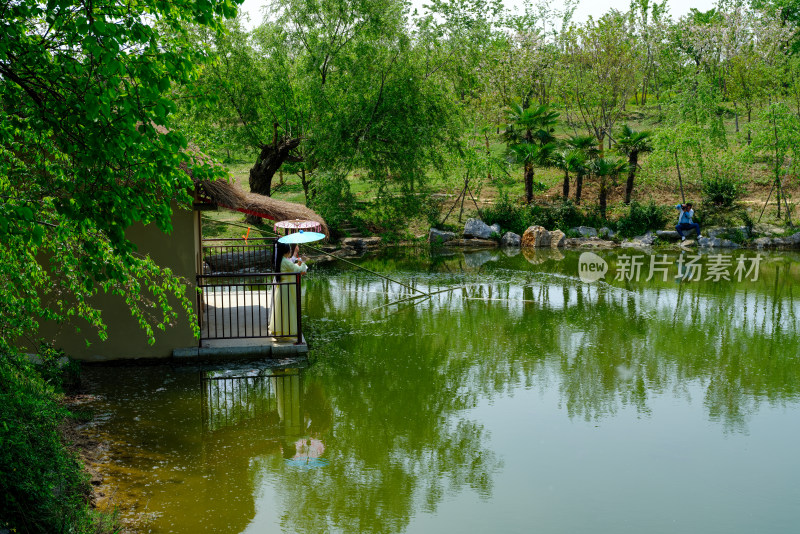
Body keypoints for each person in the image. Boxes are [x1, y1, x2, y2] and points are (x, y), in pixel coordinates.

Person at [270, 241, 307, 337]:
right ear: (286, 251)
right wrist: (303, 262)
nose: (290, 250)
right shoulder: (285, 261)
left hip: (281, 287)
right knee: (287, 309)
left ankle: (281, 330)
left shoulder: (281, 260)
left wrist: (299, 263)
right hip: (286, 289)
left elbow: (293, 267)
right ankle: (287, 331)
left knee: (282, 310)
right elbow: (297, 270)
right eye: (289, 249)